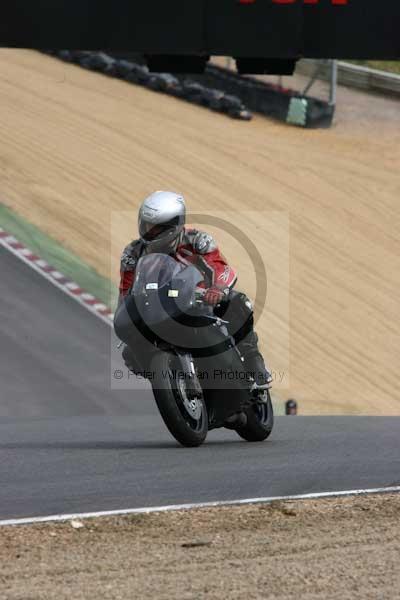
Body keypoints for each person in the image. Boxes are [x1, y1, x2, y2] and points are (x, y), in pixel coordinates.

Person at [115, 190, 272, 391]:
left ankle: (253, 361)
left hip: (200, 302)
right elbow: (126, 291)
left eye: (156, 229)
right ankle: (169, 383)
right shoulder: (132, 253)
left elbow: (221, 268)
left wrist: (217, 290)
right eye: (146, 225)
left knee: (237, 302)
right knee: (130, 354)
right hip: (157, 309)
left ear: (175, 225)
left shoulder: (197, 240)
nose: (149, 232)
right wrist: (126, 316)